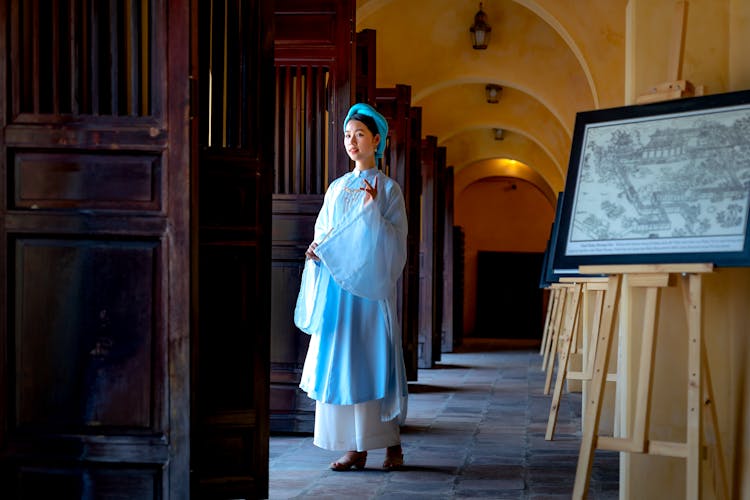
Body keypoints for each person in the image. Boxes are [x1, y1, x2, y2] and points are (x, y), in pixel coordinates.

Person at [294, 102, 408, 471]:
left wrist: (374, 212)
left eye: (359, 134)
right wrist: (317, 251)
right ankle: (353, 446)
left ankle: (391, 444)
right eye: (347, 134)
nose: (352, 141)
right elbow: (326, 231)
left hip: (370, 293)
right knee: (343, 364)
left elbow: (396, 241)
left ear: (377, 139)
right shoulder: (337, 188)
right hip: (339, 292)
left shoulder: (388, 190)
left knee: (374, 362)